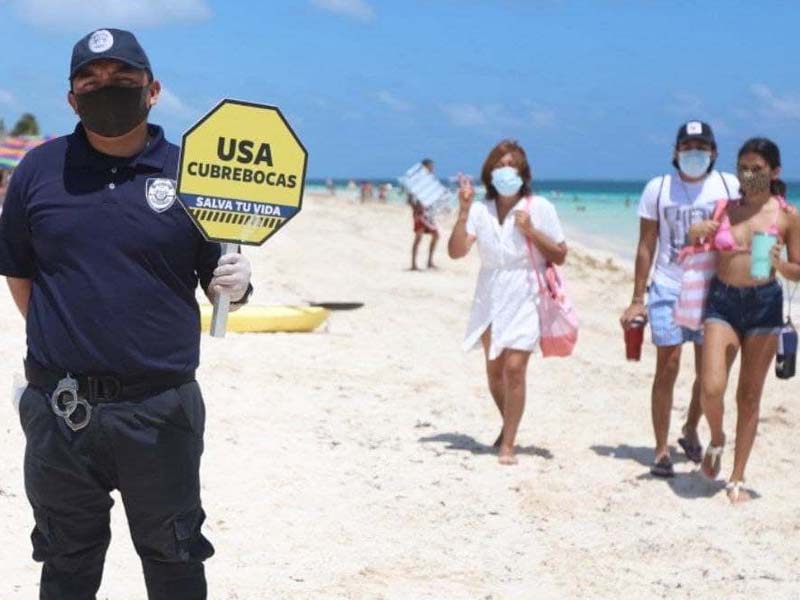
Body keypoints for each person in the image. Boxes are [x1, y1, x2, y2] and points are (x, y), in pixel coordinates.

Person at [0, 29, 253, 598]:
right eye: (89, 81)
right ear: (71, 98)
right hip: (59, 408)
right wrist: (64, 338)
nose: (104, 89)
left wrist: (238, 287)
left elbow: (221, 284)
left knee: (175, 556)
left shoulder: (194, 175)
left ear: (153, 89)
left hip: (160, 407)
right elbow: (19, 272)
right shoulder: (38, 172)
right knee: (65, 560)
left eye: (121, 79)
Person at [620, 121, 738, 478]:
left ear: (714, 152)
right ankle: (660, 449)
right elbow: (646, 245)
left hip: (713, 287)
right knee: (667, 367)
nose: (694, 153)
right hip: (669, 285)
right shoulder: (658, 189)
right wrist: (637, 297)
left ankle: (689, 429)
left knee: (708, 372)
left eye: (701, 147)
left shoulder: (729, 184)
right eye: (687, 147)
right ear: (675, 152)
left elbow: (761, 208)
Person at [689, 138, 800, 503]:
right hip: (722, 301)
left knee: (749, 396)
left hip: (765, 302)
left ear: (774, 172)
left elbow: (797, 269)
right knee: (711, 387)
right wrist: (695, 234)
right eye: (743, 168)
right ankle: (717, 439)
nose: (748, 175)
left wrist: (782, 265)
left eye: (756, 169)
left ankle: (736, 477)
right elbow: (697, 248)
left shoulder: (788, 215)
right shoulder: (724, 208)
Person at [448, 140, 567, 465]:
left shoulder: (539, 207)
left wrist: (532, 232)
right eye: (500, 166)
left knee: (515, 369)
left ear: (523, 172)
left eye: (512, 165)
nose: (505, 172)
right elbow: (456, 252)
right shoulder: (479, 210)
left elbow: (560, 253)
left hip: (526, 290)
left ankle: (509, 443)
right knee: (495, 371)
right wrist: (461, 211)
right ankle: (508, 424)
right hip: (490, 292)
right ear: (490, 172)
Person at [409, 158, 439, 270]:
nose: (432, 169)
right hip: (420, 214)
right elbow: (410, 198)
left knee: (436, 236)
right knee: (419, 237)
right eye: (430, 167)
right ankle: (414, 264)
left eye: (432, 167)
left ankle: (429, 262)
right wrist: (415, 210)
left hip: (428, 214)